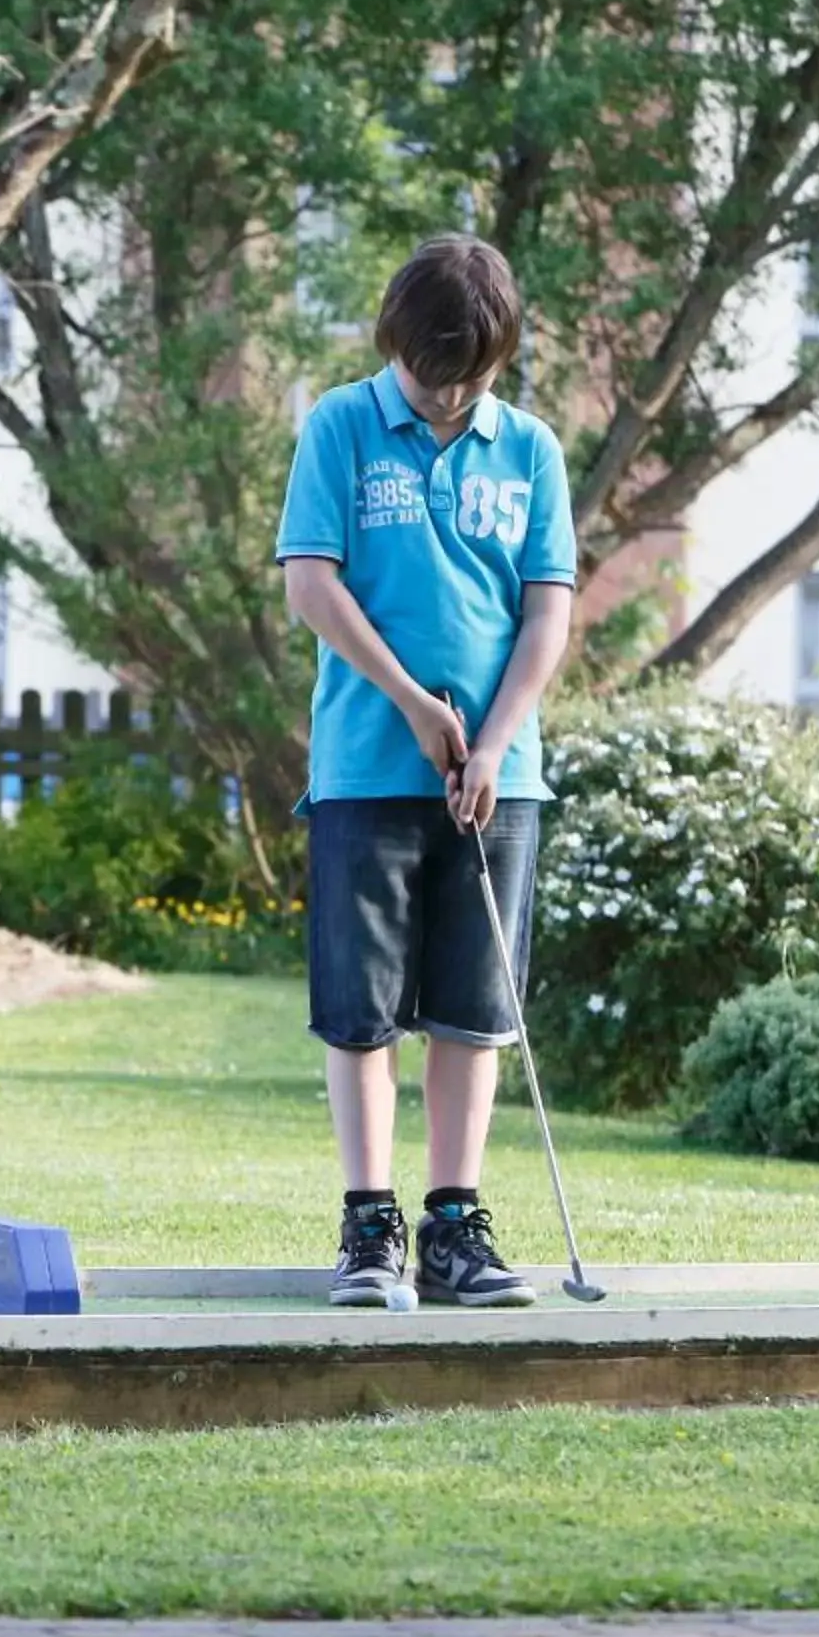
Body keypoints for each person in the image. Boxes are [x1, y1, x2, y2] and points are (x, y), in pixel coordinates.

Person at [274, 235, 578, 1307]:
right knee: (360, 1008)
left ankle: (455, 1222)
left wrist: (492, 740)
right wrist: (411, 702)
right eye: (429, 373)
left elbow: (547, 608)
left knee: (472, 1007)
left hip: (500, 776)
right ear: (393, 341)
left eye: (470, 377)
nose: (447, 395)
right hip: (366, 763)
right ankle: (370, 1227)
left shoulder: (530, 448)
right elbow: (311, 583)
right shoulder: (343, 428)